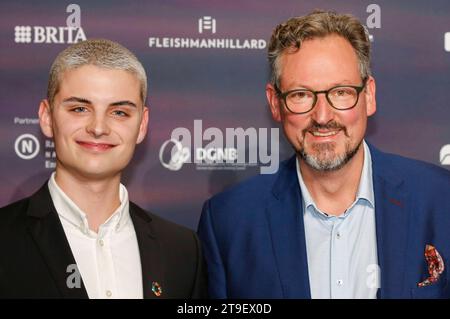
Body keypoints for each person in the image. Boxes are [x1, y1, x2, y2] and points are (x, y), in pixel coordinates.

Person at [198, 10, 450, 299]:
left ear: (368, 95)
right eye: (301, 95)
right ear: (275, 103)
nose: (322, 116)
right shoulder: (229, 221)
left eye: (341, 92)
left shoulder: (442, 200)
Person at [0, 39, 207, 299]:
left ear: (142, 125)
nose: (98, 128)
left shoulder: (183, 250)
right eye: (79, 109)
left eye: (119, 112)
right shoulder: (5, 238)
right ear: (47, 117)